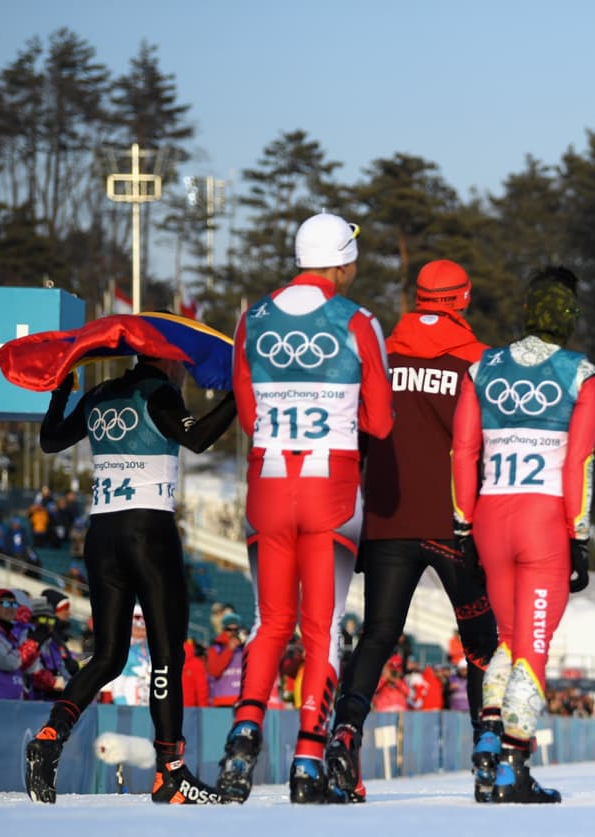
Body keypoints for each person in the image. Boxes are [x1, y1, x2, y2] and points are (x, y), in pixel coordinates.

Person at [216, 211, 392, 805]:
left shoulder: (251, 320)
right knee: (322, 631)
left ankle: (243, 737)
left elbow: (245, 417)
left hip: (267, 484)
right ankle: (308, 759)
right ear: (342, 260)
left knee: (270, 624)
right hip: (332, 490)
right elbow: (382, 421)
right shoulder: (358, 321)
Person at [26, 352, 237, 805]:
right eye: (180, 362)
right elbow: (198, 439)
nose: (184, 369)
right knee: (166, 657)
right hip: (148, 531)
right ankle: (171, 775)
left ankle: (50, 735)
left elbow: (50, 440)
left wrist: (61, 392)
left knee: (107, 657)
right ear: (165, 361)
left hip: (101, 534)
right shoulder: (158, 392)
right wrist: (239, 396)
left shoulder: (101, 394)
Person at [323, 259, 497, 804]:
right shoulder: (479, 362)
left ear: (419, 299)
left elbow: (360, 434)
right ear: (462, 300)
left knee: (377, 636)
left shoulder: (380, 350)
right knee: (481, 645)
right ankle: (488, 752)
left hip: (390, 518)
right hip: (456, 523)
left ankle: (345, 731)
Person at [451, 265, 595, 804]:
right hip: (542, 527)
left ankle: (489, 741)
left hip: (490, 517)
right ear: (568, 317)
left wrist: (463, 525)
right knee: (533, 649)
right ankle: (514, 768)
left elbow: (463, 452)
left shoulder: (481, 368)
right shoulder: (581, 374)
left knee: (510, 641)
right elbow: (578, 461)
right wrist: (578, 536)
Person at [0, 588, 53, 699]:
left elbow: (24, 667)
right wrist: (32, 643)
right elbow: (11, 662)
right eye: (6, 603)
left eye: (14, 604)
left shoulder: (6, 635)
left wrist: (36, 646)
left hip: (6, 702)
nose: (11, 608)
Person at [206, 612, 246, 707]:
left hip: (241, 699)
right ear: (224, 630)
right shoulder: (216, 648)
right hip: (222, 701)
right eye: (229, 629)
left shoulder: (244, 648)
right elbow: (215, 671)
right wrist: (229, 650)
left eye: (235, 630)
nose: (232, 633)